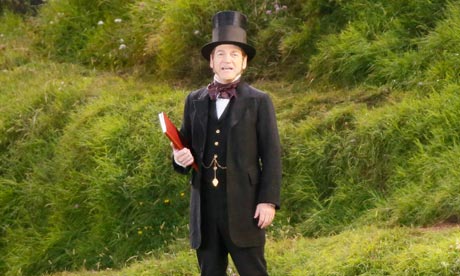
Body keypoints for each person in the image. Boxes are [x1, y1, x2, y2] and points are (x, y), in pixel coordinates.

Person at [172, 10, 282, 276]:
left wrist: (267, 200)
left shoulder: (259, 101)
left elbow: (272, 154)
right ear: (211, 61)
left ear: (244, 62)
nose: (227, 60)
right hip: (205, 209)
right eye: (220, 53)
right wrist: (179, 158)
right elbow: (182, 145)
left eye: (234, 54)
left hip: (246, 207)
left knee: (254, 271)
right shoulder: (193, 100)